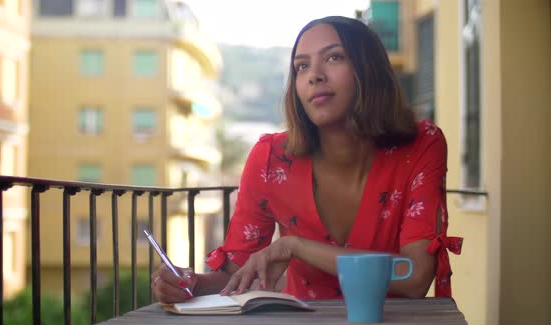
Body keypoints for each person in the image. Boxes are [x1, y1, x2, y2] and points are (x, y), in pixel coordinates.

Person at [151, 16, 462, 303]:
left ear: (369, 69)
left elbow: (415, 276)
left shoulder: (422, 144)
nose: (314, 75)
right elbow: (235, 275)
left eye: (334, 57)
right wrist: (189, 283)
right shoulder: (271, 159)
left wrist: (295, 245)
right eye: (301, 66)